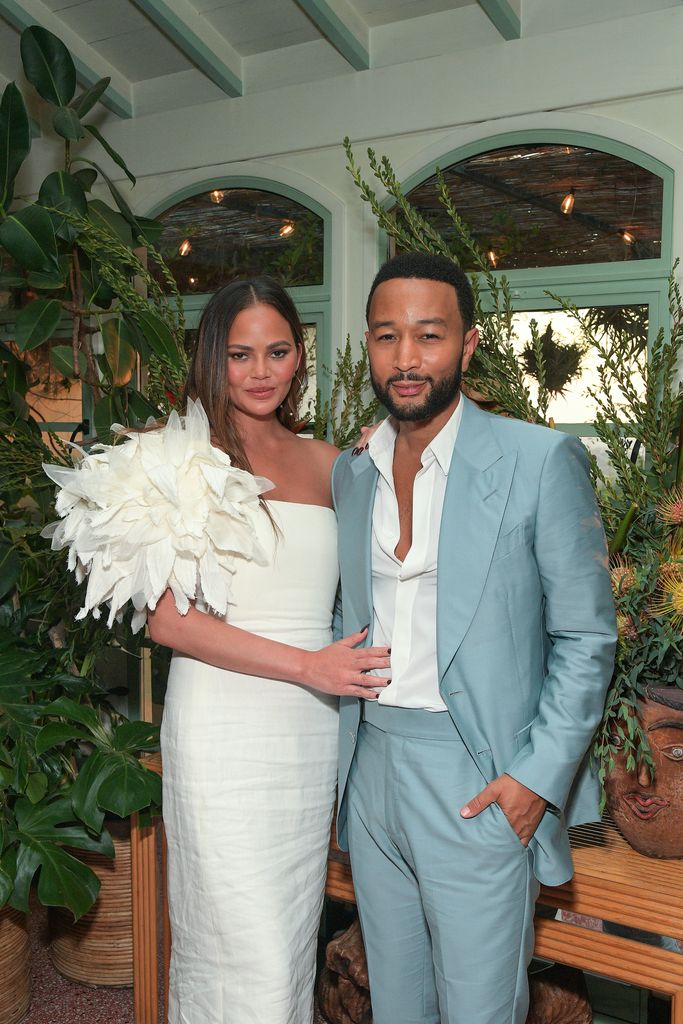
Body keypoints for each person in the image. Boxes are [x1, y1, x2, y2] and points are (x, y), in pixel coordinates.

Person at [45, 277, 390, 1024]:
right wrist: (308, 665)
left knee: (289, 943)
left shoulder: (329, 462)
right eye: (240, 354)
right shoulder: (176, 461)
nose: (260, 370)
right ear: (213, 357)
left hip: (306, 735)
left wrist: (384, 451)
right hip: (224, 728)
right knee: (244, 951)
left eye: (276, 350)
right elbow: (168, 623)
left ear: (300, 356)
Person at [331, 253, 617, 1024]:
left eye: (429, 335)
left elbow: (586, 636)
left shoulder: (536, 459)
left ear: (467, 344)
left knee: (480, 1008)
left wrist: (535, 777)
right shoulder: (351, 472)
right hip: (371, 769)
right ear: (367, 347)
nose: (406, 357)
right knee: (393, 1002)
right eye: (387, 337)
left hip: (477, 776)